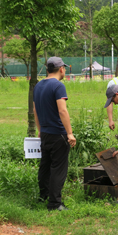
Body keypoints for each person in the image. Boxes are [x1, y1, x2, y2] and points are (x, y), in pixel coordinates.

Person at [33, 57, 76, 211]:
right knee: (58, 168)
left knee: (45, 166)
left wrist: (40, 129)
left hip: (45, 133)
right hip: (58, 133)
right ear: (61, 69)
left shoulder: (38, 85)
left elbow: (35, 110)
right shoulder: (58, 86)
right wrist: (69, 133)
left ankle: (43, 196)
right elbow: (62, 110)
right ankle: (55, 203)